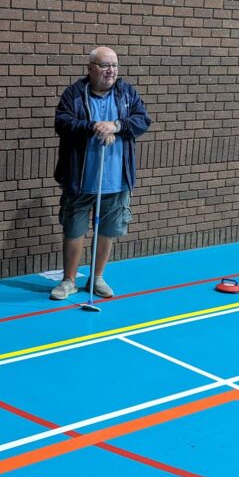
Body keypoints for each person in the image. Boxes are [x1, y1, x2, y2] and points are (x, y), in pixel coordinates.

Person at [51, 46, 151, 300]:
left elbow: (142, 120)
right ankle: (69, 280)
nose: (111, 71)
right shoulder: (74, 94)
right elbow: (62, 122)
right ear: (91, 68)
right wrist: (93, 126)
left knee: (108, 229)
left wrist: (116, 125)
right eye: (105, 65)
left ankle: (96, 278)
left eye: (115, 66)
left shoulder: (127, 93)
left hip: (116, 179)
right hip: (80, 179)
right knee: (74, 229)